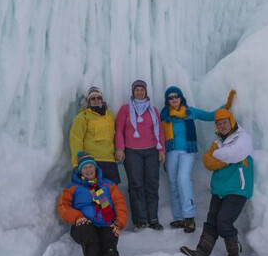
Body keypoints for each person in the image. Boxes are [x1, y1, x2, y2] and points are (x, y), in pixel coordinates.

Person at [180, 107, 254, 256]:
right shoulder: (217, 142)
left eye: (224, 122)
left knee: (224, 221)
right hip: (220, 188)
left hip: (237, 188)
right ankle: (201, 253)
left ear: (231, 121)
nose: (222, 125)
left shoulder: (243, 138)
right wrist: (224, 158)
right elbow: (208, 161)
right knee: (211, 221)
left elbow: (235, 153)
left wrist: (219, 156)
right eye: (219, 123)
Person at [161, 86, 236, 233]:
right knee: (172, 182)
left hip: (187, 151)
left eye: (176, 96)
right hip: (170, 152)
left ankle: (189, 217)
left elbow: (209, 115)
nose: (174, 99)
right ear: (167, 100)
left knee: (183, 179)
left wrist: (225, 106)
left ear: (181, 97)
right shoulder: (164, 115)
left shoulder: (190, 112)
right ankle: (179, 218)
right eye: (171, 97)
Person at [57, 151, 129, 256]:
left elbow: (120, 204)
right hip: (83, 225)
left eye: (91, 166)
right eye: (85, 168)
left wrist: (119, 222)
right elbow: (63, 207)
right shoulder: (72, 188)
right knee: (91, 238)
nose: (88, 170)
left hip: (105, 223)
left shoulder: (108, 185)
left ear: (95, 168)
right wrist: (77, 217)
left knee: (109, 242)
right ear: (80, 171)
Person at [115, 80, 165, 230]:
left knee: (152, 184)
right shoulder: (125, 109)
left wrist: (161, 149)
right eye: (136, 89)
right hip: (132, 151)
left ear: (146, 91)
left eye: (142, 89)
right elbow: (119, 129)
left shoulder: (153, 110)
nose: (139, 92)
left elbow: (159, 130)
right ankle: (140, 220)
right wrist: (119, 148)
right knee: (136, 184)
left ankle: (153, 218)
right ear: (133, 92)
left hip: (151, 151)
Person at [69, 86, 121, 184]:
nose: (96, 100)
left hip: (109, 161)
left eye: (98, 98)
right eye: (93, 98)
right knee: (93, 193)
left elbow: (116, 136)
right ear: (88, 101)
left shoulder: (110, 116)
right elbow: (76, 138)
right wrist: (77, 161)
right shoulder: (82, 117)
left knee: (110, 193)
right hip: (91, 162)